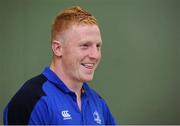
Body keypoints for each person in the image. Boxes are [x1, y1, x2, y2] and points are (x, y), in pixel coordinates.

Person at [3, 6, 116, 125]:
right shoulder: (30, 100)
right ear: (58, 48)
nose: (95, 55)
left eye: (98, 46)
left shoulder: (98, 103)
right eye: (85, 45)